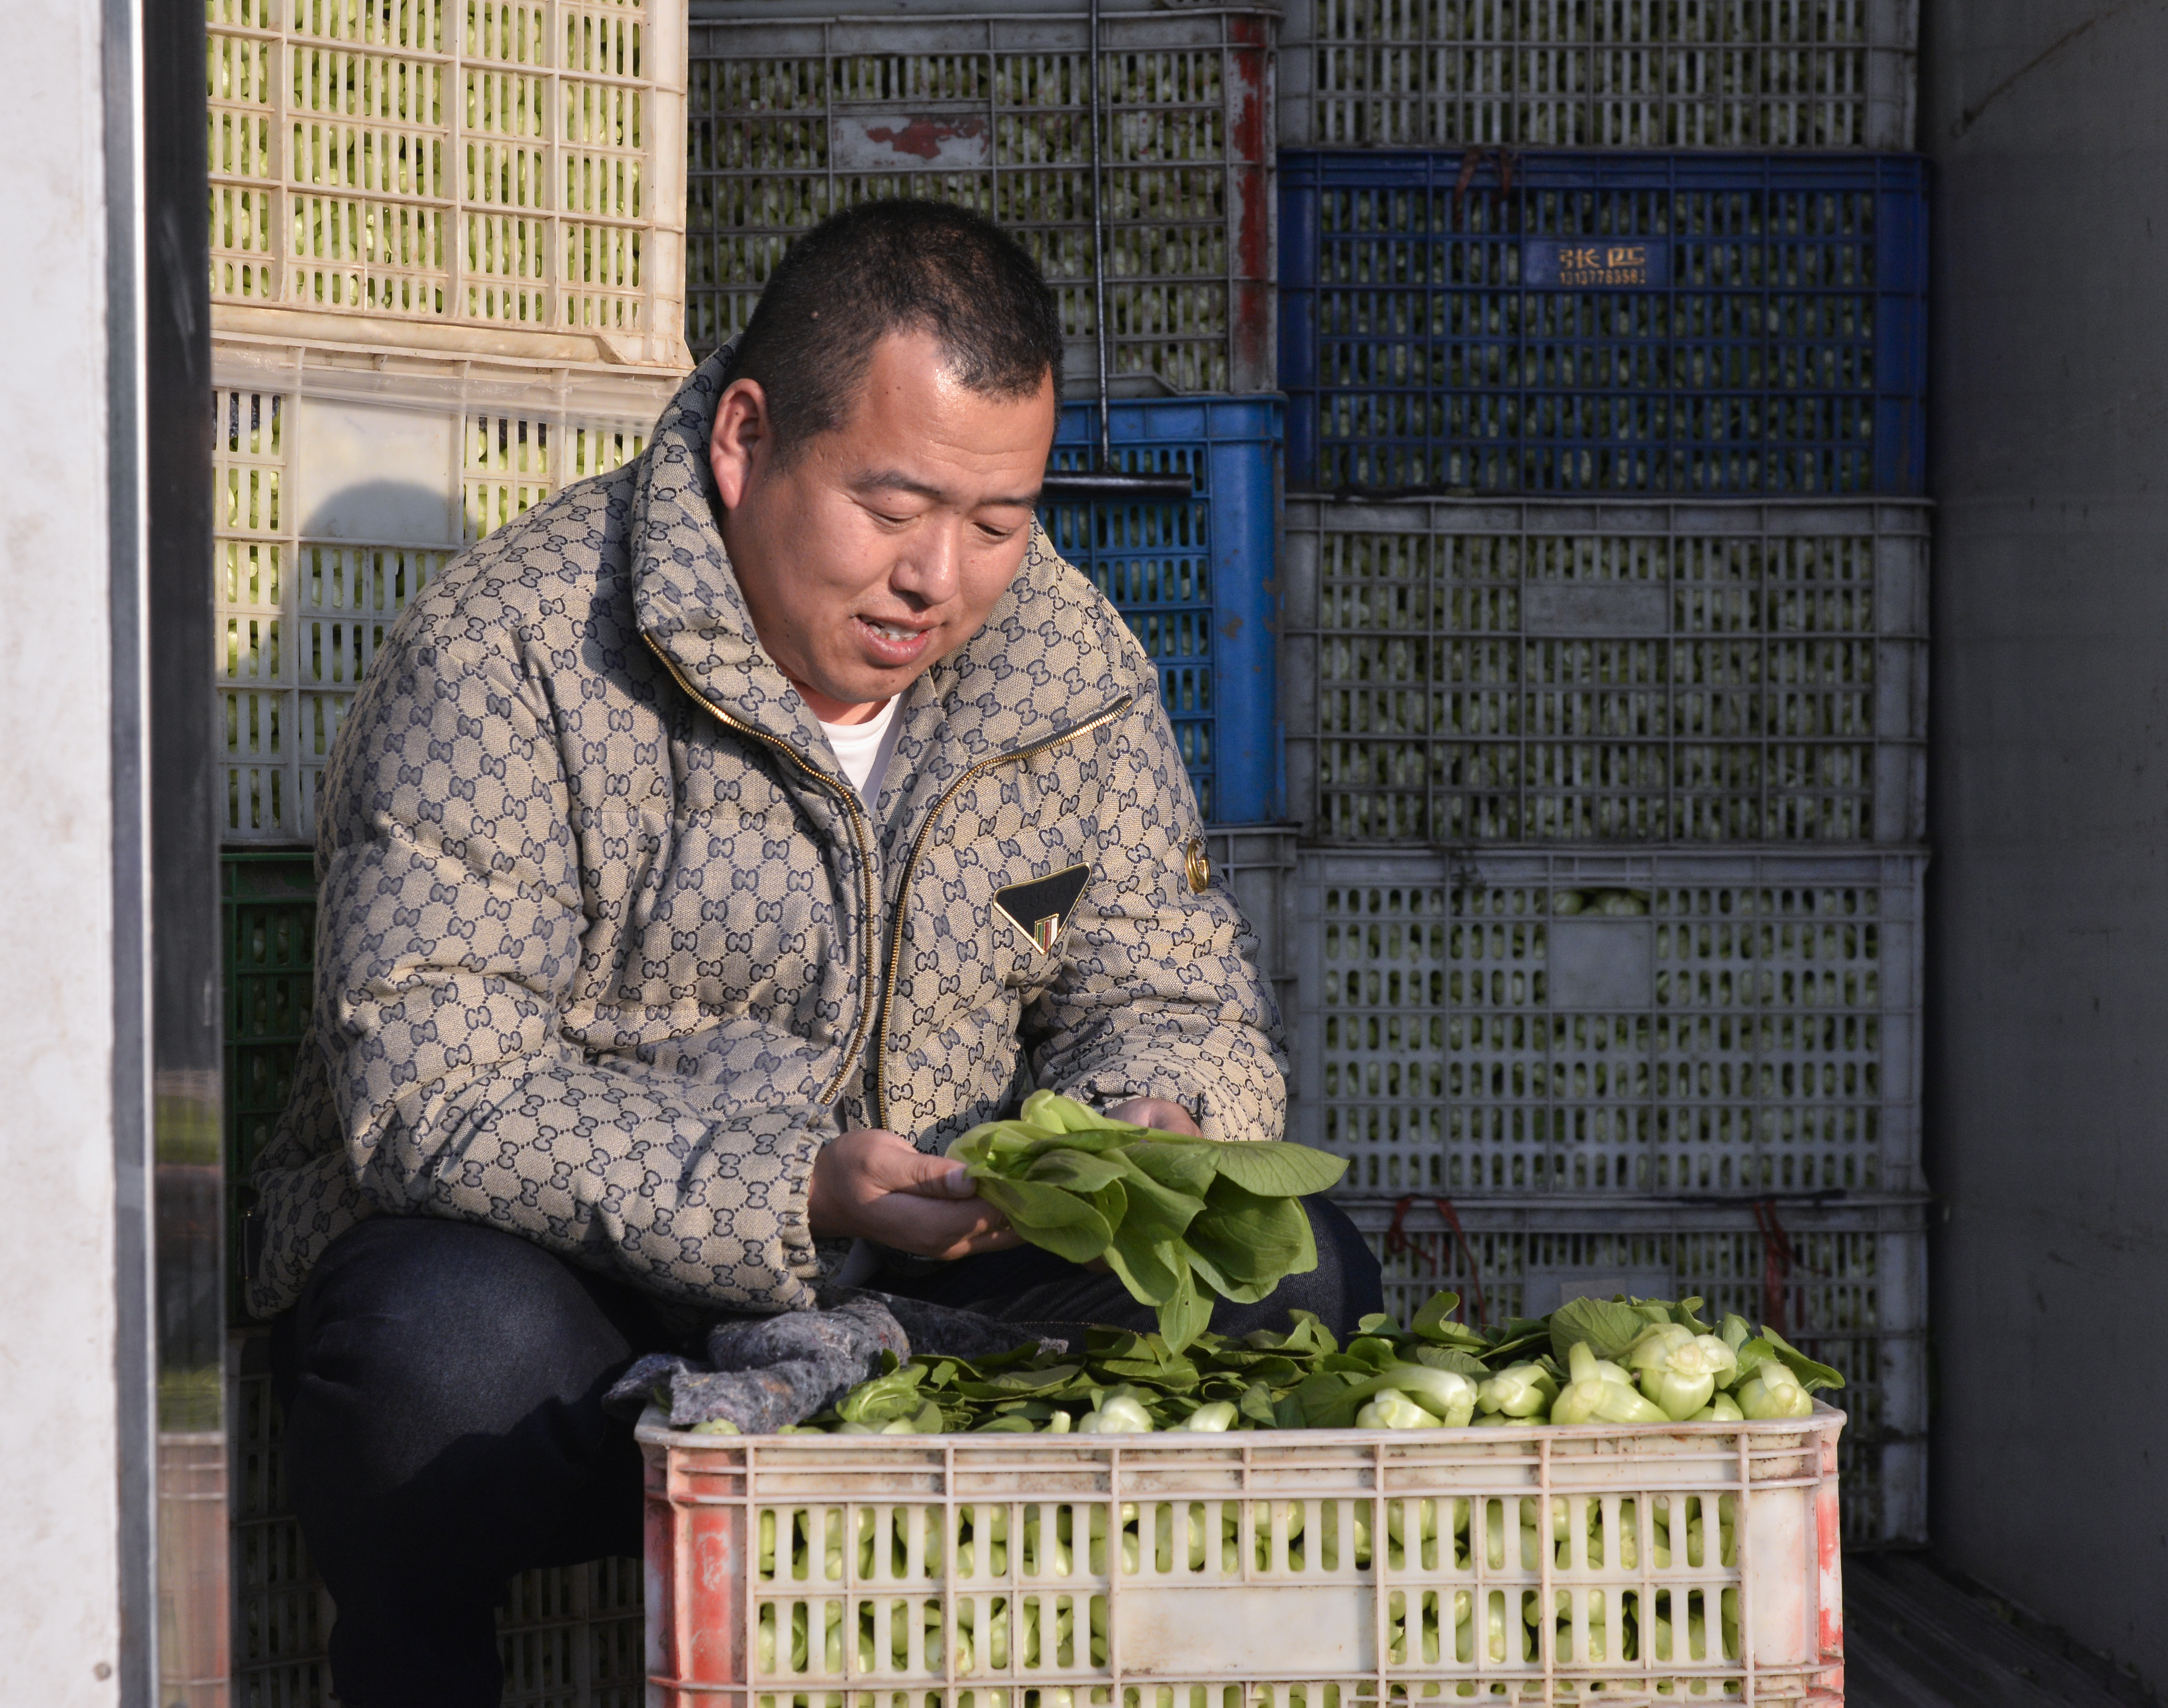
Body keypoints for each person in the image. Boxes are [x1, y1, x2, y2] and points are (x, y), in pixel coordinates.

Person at [243, 200, 1379, 1707]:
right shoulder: (514, 651)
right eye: (893, 507)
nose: (941, 580)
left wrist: (1147, 1132)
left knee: (1296, 1278)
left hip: (931, 1285)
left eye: (997, 520)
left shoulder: (1067, 664)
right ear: (746, 439)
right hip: (603, 1294)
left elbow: (1170, 992)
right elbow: (434, 1085)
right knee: (426, 1361)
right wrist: (788, 1194)